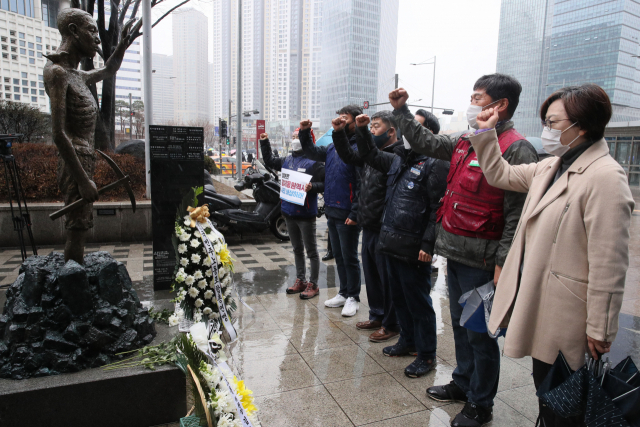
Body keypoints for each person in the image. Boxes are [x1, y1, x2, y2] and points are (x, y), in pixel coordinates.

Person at [471, 84, 634, 427]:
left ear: (583, 126)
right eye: (545, 121)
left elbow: (610, 261)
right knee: (549, 394)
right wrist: (485, 132)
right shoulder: (551, 166)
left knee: (565, 402)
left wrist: (600, 328)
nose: (547, 130)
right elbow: (500, 174)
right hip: (541, 303)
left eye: (554, 122)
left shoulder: (605, 177)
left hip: (569, 315)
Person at [389, 74, 539, 427]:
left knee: (480, 335)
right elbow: (426, 141)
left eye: (478, 97)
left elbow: (517, 215)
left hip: (483, 261)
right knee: (460, 326)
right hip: (456, 252)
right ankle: (463, 382)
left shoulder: (517, 147)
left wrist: (504, 262)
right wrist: (402, 112)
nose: (472, 104)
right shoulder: (467, 139)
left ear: (499, 105)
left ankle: (480, 403)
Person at [346, 113, 448, 377]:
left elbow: (437, 207)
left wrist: (428, 243)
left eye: (415, 127)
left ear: (427, 134)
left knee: (418, 302)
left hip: (415, 247)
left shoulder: (435, 163)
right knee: (399, 298)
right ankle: (407, 341)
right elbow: (369, 154)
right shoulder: (399, 158)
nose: (407, 130)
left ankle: (426, 355)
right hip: (389, 240)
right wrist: (361, 129)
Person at [44, 9, 134, 264]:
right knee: (77, 229)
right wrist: (83, 181)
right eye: (92, 31)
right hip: (75, 162)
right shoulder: (58, 73)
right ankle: (73, 288)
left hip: (84, 158)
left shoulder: (77, 75)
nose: (96, 38)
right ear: (73, 31)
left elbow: (109, 69)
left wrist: (122, 46)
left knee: (81, 225)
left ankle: (76, 277)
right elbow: (59, 134)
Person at [333, 110, 403, 342]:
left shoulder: (395, 156)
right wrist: (339, 132)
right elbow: (349, 156)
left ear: (391, 131)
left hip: (385, 227)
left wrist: (360, 130)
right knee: (371, 276)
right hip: (369, 224)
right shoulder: (371, 155)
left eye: (376, 127)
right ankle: (377, 314)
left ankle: (392, 324)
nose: (372, 131)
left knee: (386, 278)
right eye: (369, 127)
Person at [300, 105, 362, 317]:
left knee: (350, 256)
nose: (340, 122)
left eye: (345, 119)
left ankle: (354, 296)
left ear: (355, 122)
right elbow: (311, 152)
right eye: (339, 118)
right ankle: (343, 293)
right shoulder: (332, 147)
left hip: (348, 211)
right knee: (339, 256)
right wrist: (305, 133)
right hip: (333, 209)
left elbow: (361, 184)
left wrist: (355, 213)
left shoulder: (359, 148)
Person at [260, 132, 325, 299]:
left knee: (311, 251)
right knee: (297, 249)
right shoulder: (287, 160)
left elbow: (326, 183)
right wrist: (265, 142)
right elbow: (269, 161)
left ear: (308, 139)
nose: (296, 139)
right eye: (294, 135)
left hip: (306, 214)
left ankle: (314, 284)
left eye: (299, 136)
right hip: (288, 212)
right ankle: (301, 280)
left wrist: (313, 187)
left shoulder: (315, 162)